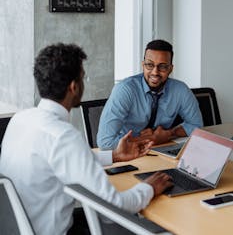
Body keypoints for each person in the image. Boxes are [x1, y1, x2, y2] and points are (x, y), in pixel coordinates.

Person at [0, 43, 173, 235]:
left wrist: (114, 156)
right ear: (74, 87)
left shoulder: (21, 119)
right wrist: (149, 188)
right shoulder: (63, 136)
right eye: (83, 77)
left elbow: (61, 161)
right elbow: (113, 208)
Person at [97, 39, 203, 150]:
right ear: (143, 65)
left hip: (161, 150)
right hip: (127, 152)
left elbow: (196, 126)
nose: (155, 72)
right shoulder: (125, 90)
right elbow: (105, 142)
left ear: (170, 69)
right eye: (149, 65)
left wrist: (169, 133)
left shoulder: (180, 90)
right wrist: (153, 139)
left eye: (162, 66)